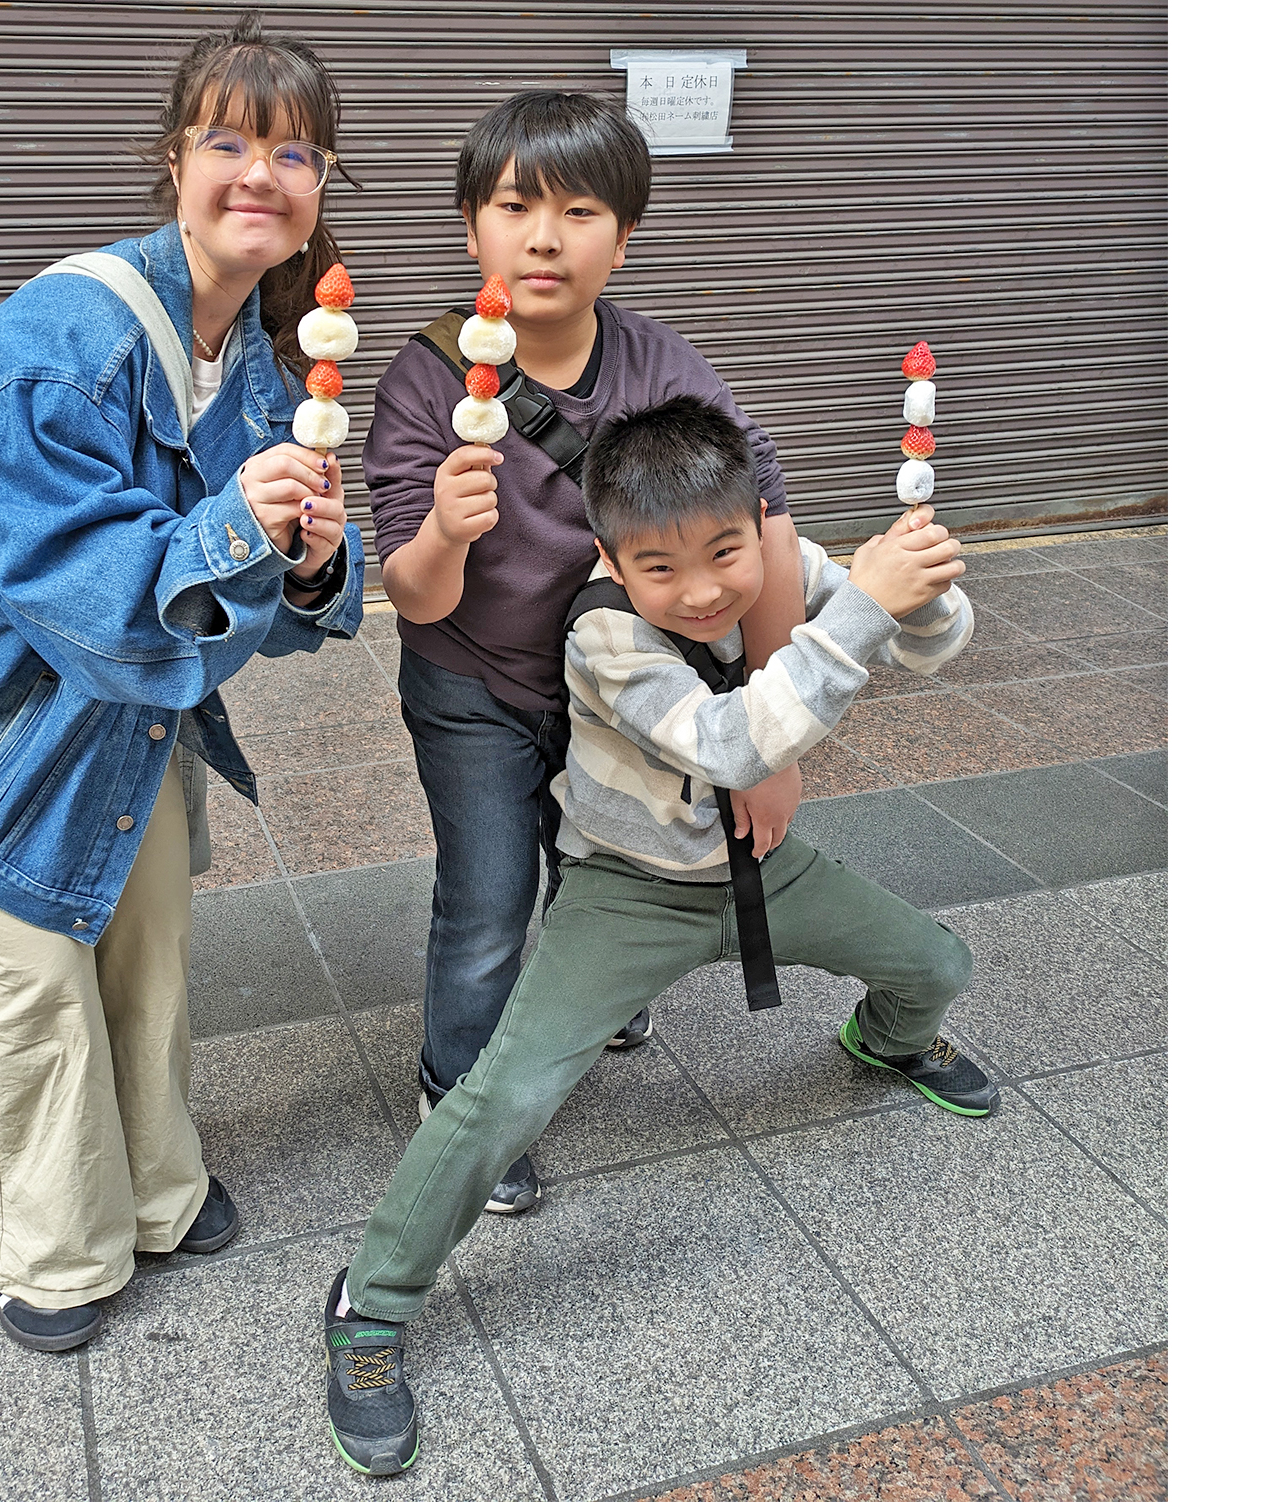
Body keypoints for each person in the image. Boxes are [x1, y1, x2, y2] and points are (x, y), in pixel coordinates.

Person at [321, 397, 997, 1475]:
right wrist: (863, 611)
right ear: (608, 556)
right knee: (504, 1095)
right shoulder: (602, 633)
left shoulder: (779, 561)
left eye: (725, 552)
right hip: (626, 893)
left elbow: (926, 646)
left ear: (753, 525)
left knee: (936, 963)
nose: (701, 589)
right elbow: (732, 744)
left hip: (755, 874)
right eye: (660, 566)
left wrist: (920, 590)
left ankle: (887, 1039)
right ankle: (370, 1299)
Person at [0, 13, 362, 1355]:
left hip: (122, 715)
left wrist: (303, 561)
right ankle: (54, 1257)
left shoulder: (257, 365)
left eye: (295, 153)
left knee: (148, 958)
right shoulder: (67, 329)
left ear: (317, 198)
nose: (262, 172)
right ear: (172, 161)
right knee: (27, 995)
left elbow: (251, 608)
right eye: (230, 140)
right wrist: (239, 528)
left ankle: (160, 1196)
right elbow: (75, 591)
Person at [363, 91, 811, 1216]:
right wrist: (443, 533)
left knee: (599, 857)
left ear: (624, 235)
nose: (545, 236)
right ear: (472, 228)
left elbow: (763, 519)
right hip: (474, 681)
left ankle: (597, 992)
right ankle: (459, 1097)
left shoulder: (659, 364)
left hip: (618, 687)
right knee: (485, 899)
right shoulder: (423, 380)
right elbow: (408, 595)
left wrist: (768, 735)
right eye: (514, 206)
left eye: (579, 209)